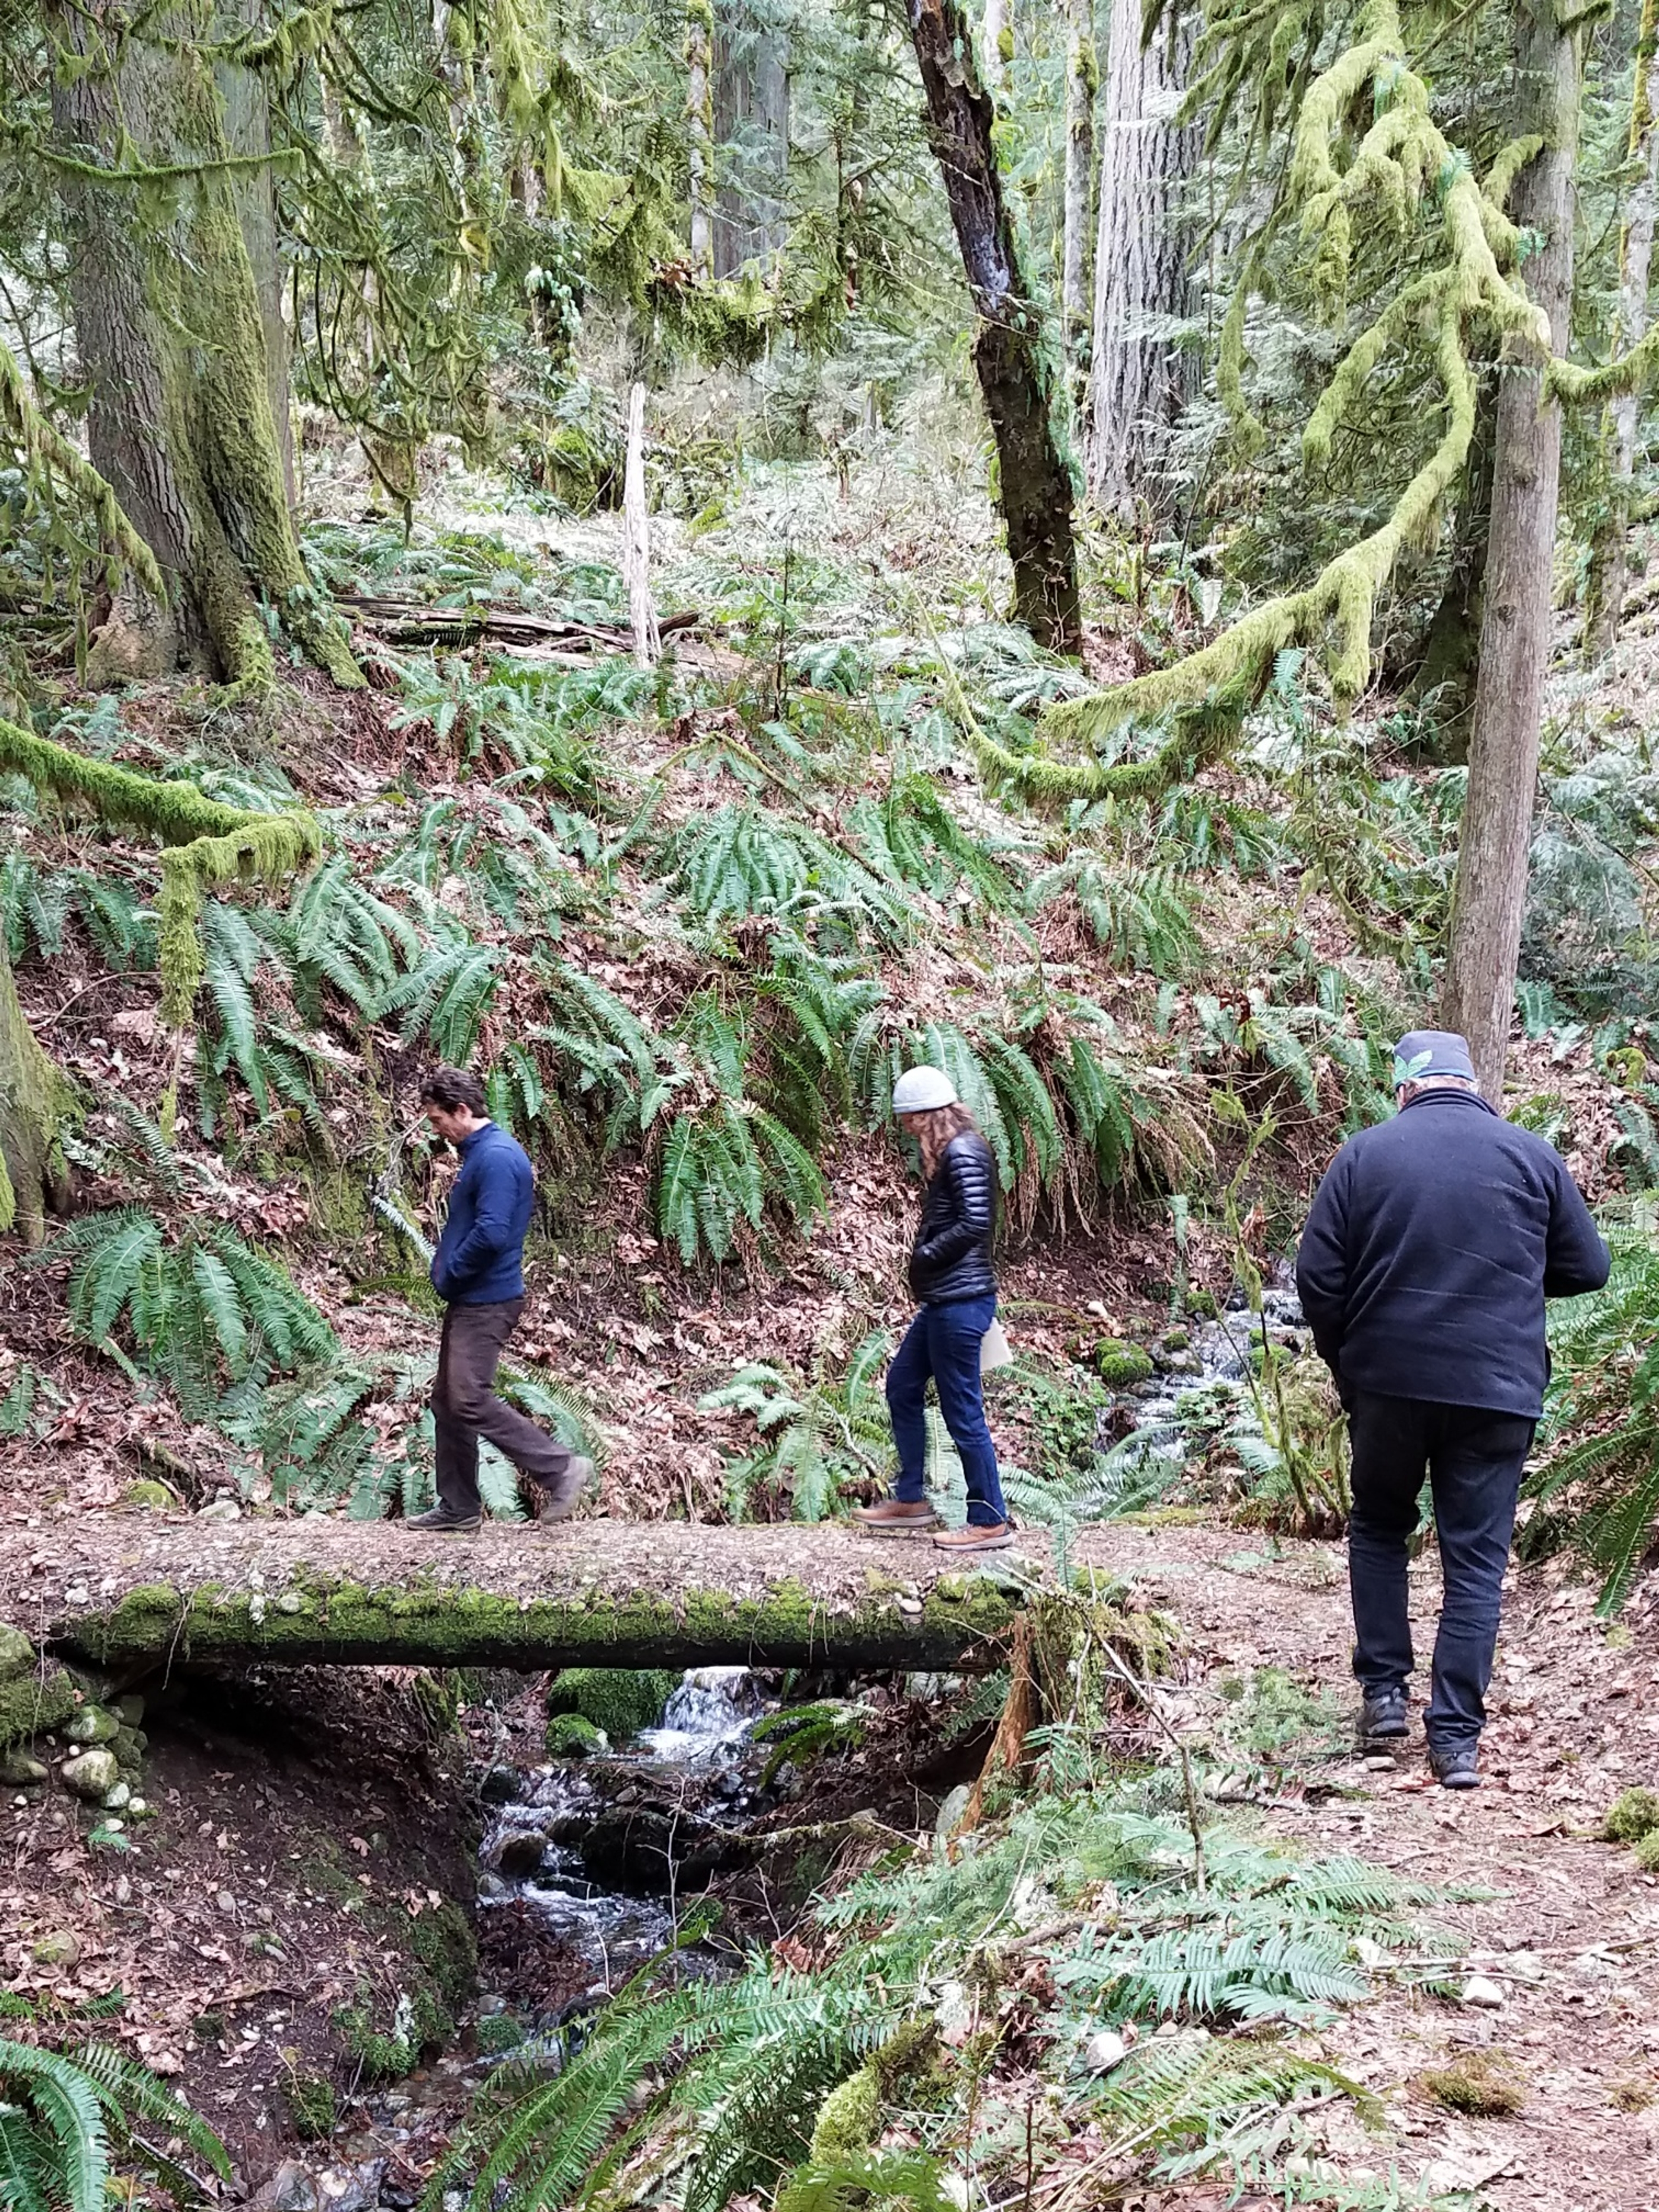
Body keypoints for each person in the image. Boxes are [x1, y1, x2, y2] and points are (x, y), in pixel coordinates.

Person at [1296, 1028, 1608, 1789]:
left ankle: (1383, 1698)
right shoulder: (1531, 1156)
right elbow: (1590, 1268)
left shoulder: (1363, 1156)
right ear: (1471, 1083)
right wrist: (1510, 1287)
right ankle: (1457, 1741)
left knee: (1378, 1527)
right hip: (1498, 1389)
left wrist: (1348, 1361)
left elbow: (1316, 1277)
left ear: (1403, 1087)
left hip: (1390, 1384)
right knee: (1476, 1561)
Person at [407, 1066, 593, 1534]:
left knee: (468, 1397)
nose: (436, 1130)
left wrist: (451, 1271)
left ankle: (560, 1468)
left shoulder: (495, 1157)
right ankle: (459, 1505)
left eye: (437, 1120)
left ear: (463, 1110)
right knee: (448, 1402)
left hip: (487, 1300)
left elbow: (492, 1232)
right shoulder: (482, 1154)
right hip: (473, 1297)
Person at [853, 1065, 1014, 1554]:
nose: (906, 1128)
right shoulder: (957, 1150)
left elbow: (974, 1223)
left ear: (927, 1113)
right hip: (945, 1300)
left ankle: (989, 1518)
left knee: (963, 1411)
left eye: (908, 1118)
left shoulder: (963, 1151)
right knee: (902, 1384)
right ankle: (910, 1500)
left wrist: (924, 1255)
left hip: (960, 1303)